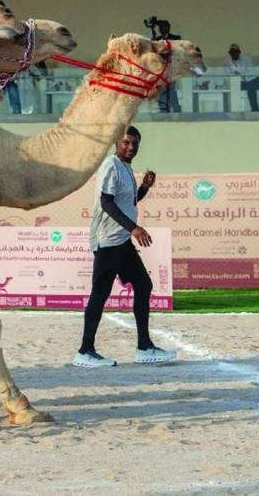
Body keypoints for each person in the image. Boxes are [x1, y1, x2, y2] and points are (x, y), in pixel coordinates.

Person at [73, 126, 176, 368]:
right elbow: (106, 203)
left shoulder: (125, 167)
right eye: (126, 142)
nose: (131, 147)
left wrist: (144, 188)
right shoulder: (111, 165)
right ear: (115, 143)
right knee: (100, 293)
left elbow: (127, 202)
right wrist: (134, 228)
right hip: (108, 239)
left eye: (135, 143)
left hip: (121, 239)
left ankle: (144, 347)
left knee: (143, 285)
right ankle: (85, 351)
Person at [226, 43, 259, 112]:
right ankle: (255, 109)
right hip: (240, 83)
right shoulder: (228, 63)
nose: (234, 53)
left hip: (250, 80)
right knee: (250, 84)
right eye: (232, 52)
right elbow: (228, 76)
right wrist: (236, 75)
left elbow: (251, 71)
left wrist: (241, 74)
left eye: (236, 51)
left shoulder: (247, 59)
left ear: (239, 52)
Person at [151, 20, 181, 113]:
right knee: (162, 92)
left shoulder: (176, 38)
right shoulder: (156, 40)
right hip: (161, 71)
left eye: (165, 26)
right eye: (162, 27)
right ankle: (163, 111)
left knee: (171, 92)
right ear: (159, 29)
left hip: (171, 70)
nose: (164, 28)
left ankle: (176, 110)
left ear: (169, 27)